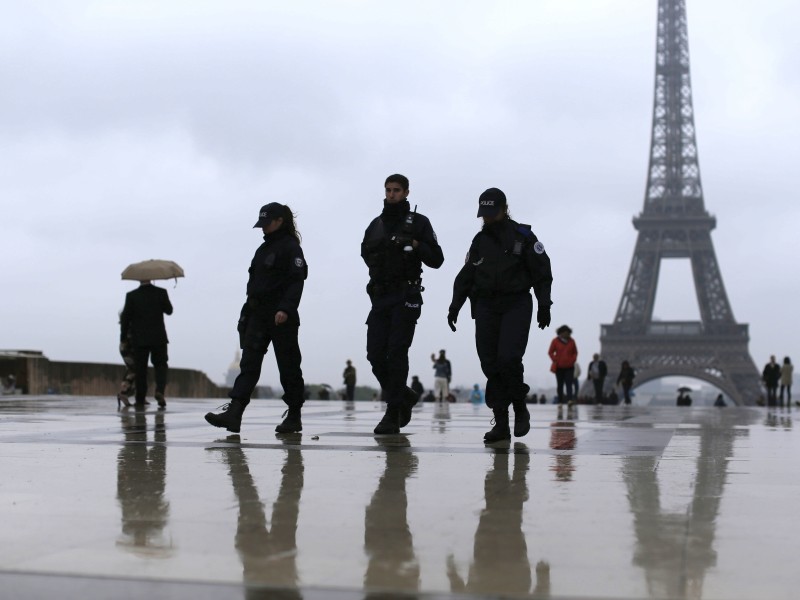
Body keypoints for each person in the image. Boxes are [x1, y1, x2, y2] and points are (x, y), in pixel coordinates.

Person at [447, 187, 553, 443]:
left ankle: (519, 406)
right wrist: (455, 305)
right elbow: (466, 275)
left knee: (508, 358)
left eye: (492, 213)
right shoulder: (479, 241)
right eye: (484, 214)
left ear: (504, 209)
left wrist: (543, 304)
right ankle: (501, 421)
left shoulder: (524, 237)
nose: (487, 218)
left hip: (516, 303)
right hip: (485, 305)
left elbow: (542, 271)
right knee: (490, 364)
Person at [205, 203, 308, 434]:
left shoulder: (290, 247)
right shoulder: (262, 250)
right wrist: (246, 314)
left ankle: (294, 415)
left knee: (289, 367)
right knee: (248, 365)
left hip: (281, 316)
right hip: (258, 315)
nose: (263, 229)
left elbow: (296, 281)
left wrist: (286, 309)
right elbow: (254, 287)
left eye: (267, 223)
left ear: (280, 221)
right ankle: (235, 413)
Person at [361, 174, 444, 434]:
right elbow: (366, 254)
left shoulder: (419, 222)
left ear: (406, 192)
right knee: (374, 354)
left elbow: (437, 259)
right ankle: (404, 395)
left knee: (397, 352)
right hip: (380, 297)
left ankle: (393, 409)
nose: (392, 194)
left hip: (405, 295)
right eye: (388, 190)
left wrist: (416, 245)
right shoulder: (376, 224)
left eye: (396, 190)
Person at [120, 280, 173, 408]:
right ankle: (159, 390)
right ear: (151, 278)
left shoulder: (132, 295)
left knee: (141, 369)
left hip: (139, 339)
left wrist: (123, 338)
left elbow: (125, 319)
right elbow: (169, 310)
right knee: (161, 365)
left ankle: (140, 398)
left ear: (139, 279)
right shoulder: (161, 292)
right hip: (158, 337)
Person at [548, 325, 578, 406]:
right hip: (559, 366)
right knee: (560, 384)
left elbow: (575, 352)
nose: (566, 334)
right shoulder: (555, 341)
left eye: (567, 333)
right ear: (560, 333)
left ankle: (569, 400)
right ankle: (560, 401)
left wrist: (572, 360)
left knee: (569, 384)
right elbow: (550, 352)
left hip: (569, 366)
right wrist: (555, 359)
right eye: (564, 333)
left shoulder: (572, 341)